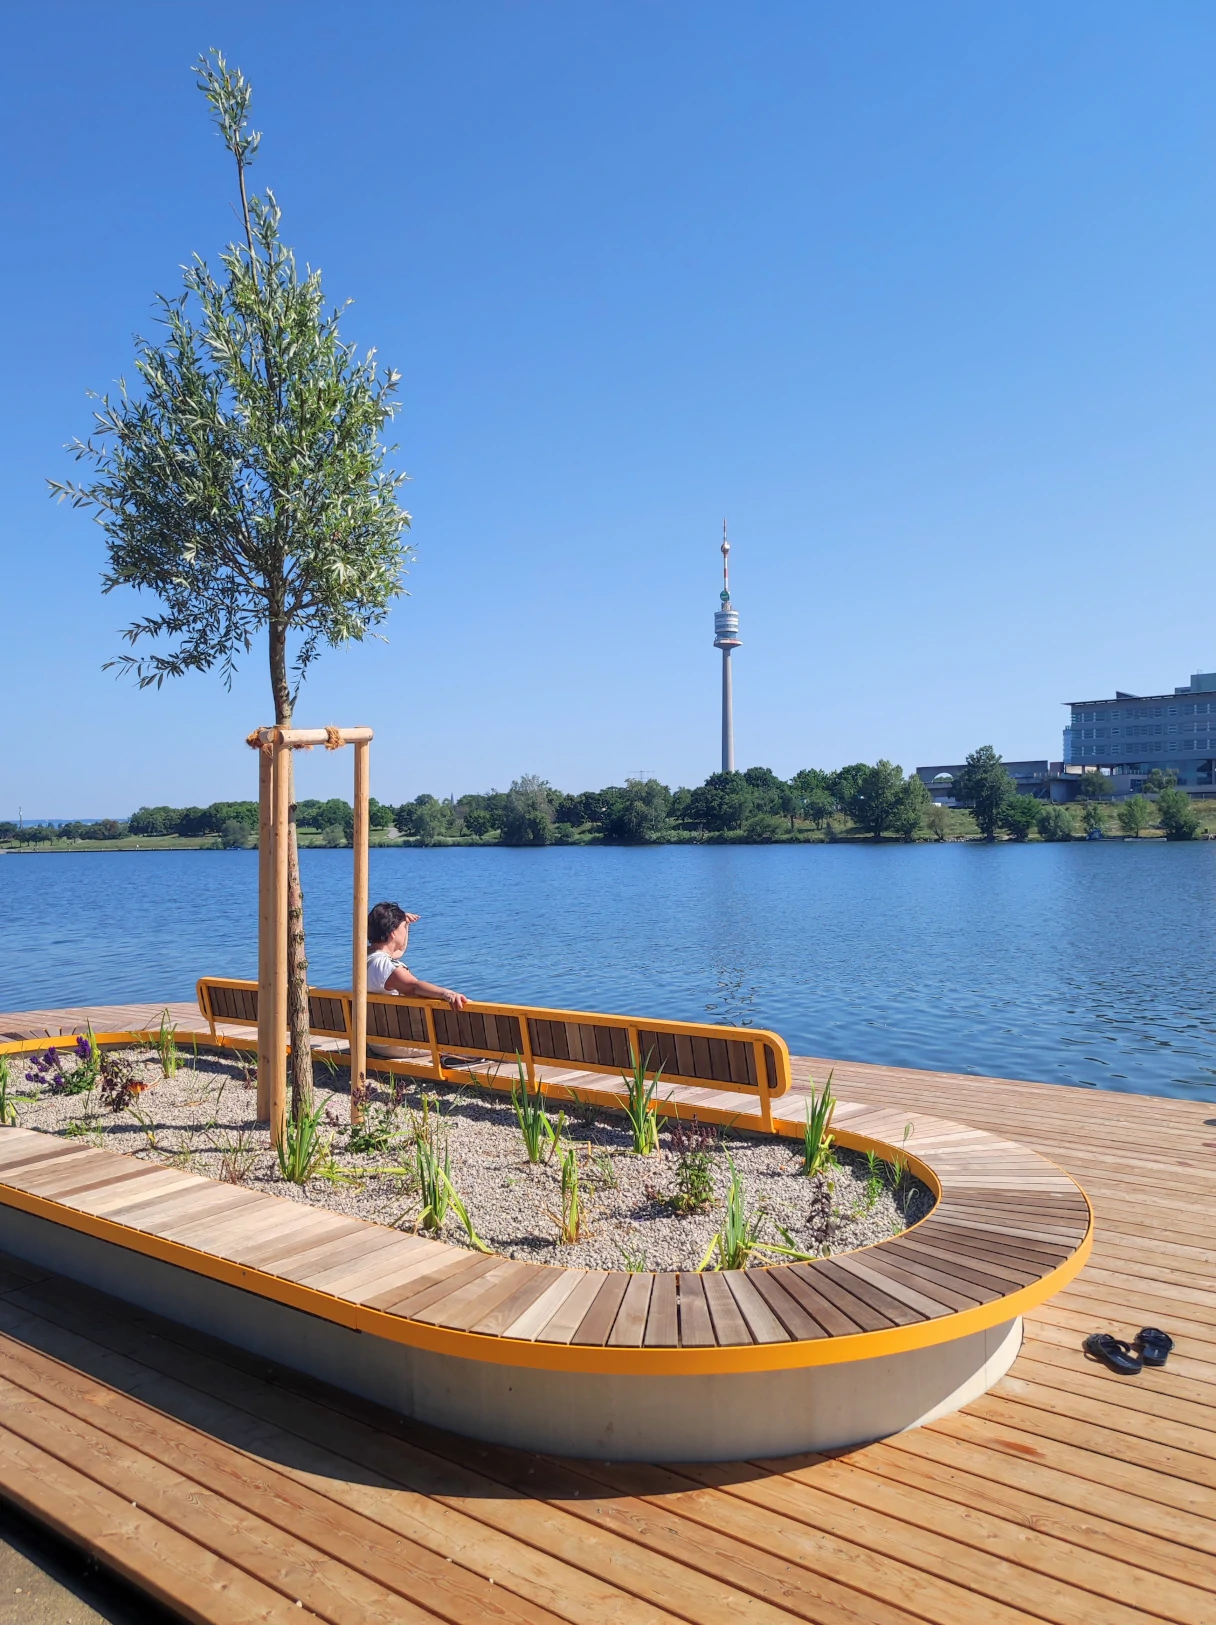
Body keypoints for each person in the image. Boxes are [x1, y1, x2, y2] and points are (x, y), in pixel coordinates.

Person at [366, 901, 467, 1010]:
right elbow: (413, 987)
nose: (405, 931)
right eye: (403, 927)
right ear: (393, 933)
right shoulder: (389, 967)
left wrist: (406, 924)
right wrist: (447, 993)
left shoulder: (364, 957)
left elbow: (399, 950)